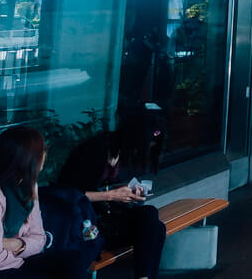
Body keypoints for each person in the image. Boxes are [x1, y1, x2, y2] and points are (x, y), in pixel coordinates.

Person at [0, 127, 89, 278]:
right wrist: (24, 260)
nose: (45, 154)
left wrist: (15, 244)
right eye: (41, 150)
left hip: (12, 256)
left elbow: (39, 239)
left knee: (74, 260)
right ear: (27, 158)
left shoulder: (29, 186)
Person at [54, 115, 167, 279]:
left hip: (103, 217)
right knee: (155, 227)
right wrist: (111, 195)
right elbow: (69, 194)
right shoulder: (96, 150)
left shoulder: (118, 151)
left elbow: (98, 188)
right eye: (147, 143)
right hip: (82, 225)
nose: (146, 148)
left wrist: (123, 191)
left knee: (151, 216)